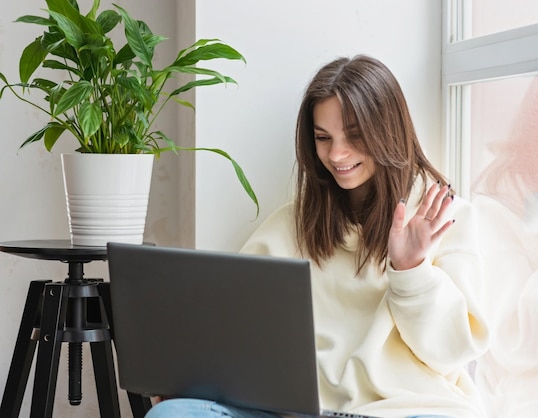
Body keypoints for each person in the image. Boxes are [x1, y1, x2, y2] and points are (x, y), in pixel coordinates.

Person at [146, 55, 490, 418]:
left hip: (410, 408)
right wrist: (186, 374)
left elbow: (452, 353)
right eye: (323, 138)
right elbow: (233, 326)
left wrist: (411, 269)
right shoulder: (293, 224)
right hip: (297, 410)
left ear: (388, 131)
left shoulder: (443, 218)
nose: (337, 154)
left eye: (354, 136)